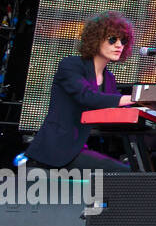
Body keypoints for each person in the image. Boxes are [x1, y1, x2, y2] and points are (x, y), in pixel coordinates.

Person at [25, 13, 136, 171]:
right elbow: (88, 96)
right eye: (112, 39)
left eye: (123, 41)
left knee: (133, 170)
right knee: (124, 173)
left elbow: (116, 111)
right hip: (54, 152)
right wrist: (135, 97)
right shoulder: (71, 65)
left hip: (80, 150)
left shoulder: (109, 78)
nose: (119, 45)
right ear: (96, 38)